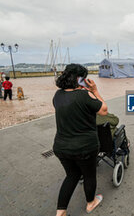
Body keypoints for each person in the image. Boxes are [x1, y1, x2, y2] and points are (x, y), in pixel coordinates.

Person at [53, 64, 108, 216]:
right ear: (79, 79)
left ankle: (61, 211)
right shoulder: (85, 96)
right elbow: (104, 111)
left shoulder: (57, 95)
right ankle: (90, 204)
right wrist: (95, 91)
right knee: (89, 175)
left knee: (71, 175)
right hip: (84, 147)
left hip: (61, 147)